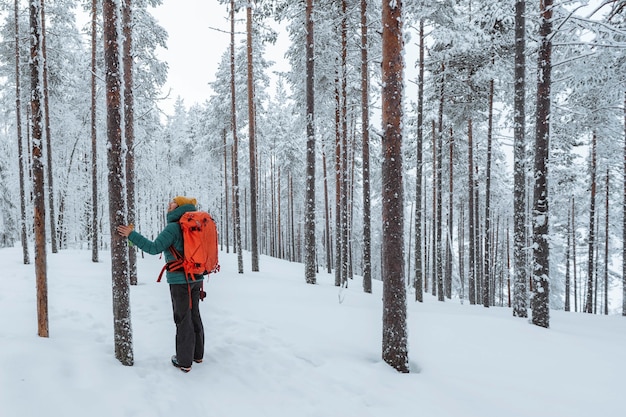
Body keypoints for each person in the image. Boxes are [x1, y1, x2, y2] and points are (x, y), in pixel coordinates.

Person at [117, 196, 204, 373]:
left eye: (172, 203)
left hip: (180, 280)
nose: (168, 205)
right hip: (197, 278)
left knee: (182, 318)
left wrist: (131, 234)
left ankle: (184, 361)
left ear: (178, 207)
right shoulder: (197, 223)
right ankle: (197, 354)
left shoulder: (173, 227)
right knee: (194, 314)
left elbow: (153, 248)